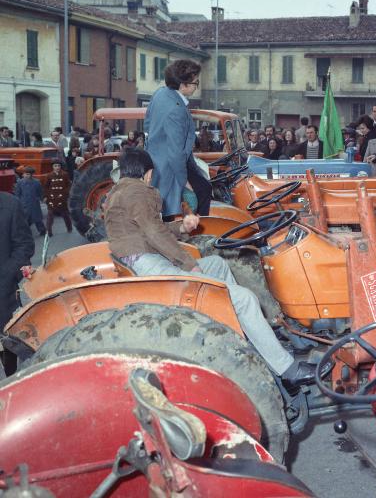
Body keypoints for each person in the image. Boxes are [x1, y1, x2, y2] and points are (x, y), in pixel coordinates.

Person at [104, 149, 327, 389]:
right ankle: (287, 370)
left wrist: (182, 228)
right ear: (148, 174)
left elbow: (151, 228)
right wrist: (189, 264)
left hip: (141, 260)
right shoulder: (139, 191)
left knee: (217, 265)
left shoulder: (120, 192)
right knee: (246, 299)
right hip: (149, 264)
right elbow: (153, 232)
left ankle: (243, 332)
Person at [145, 59, 211, 217]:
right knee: (204, 190)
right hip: (169, 166)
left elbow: (147, 124)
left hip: (155, 161)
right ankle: (197, 237)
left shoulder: (160, 93)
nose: (197, 86)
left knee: (165, 211)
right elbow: (176, 153)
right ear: (183, 84)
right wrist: (184, 183)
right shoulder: (177, 110)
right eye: (196, 82)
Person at [0, 192, 34, 329]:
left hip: (3, 296)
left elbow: (24, 245)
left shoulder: (10, 204)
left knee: (8, 342)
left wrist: (6, 275)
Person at [14, 166, 46, 236]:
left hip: (34, 203)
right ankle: (25, 232)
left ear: (32, 174)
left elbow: (40, 192)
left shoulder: (36, 182)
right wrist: (17, 202)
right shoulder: (20, 182)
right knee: (25, 219)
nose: (26, 175)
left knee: (37, 219)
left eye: (28, 174)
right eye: (25, 174)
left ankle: (42, 230)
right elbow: (17, 193)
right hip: (24, 203)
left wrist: (42, 198)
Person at [44, 160, 72, 236]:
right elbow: (46, 186)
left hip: (61, 198)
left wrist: (65, 193)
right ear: (53, 167)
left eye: (58, 166)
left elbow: (68, 185)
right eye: (55, 166)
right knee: (50, 214)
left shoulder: (64, 174)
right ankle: (48, 231)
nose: (57, 168)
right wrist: (46, 196)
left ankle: (69, 228)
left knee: (65, 214)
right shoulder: (49, 175)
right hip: (52, 198)